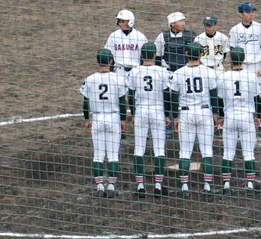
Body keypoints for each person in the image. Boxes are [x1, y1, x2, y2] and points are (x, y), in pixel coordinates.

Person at [169, 43, 217, 195]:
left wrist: (175, 117)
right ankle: (208, 186)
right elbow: (214, 95)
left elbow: (173, 97)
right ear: (201, 55)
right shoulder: (209, 72)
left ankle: (184, 187)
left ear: (186, 54)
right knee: (207, 151)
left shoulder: (178, 73)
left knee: (184, 151)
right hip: (204, 113)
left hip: (186, 114)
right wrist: (216, 114)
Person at [215, 46, 261, 194]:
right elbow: (258, 99)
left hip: (230, 116)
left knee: (227, 153)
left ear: (231, 59)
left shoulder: (224, 76)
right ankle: (249, 184)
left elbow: (219, 99)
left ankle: (226, 185)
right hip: (246, 117)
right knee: (249, 153)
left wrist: (221, 117)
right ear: (243, 59)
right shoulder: (251, 76)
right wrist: (257, 117)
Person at [81, 49, 128, 197]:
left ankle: (100, 187)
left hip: (98, 119)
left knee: (98, 155)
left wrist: (87, 120)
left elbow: (85, 102)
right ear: (111, 62)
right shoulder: (118, 78)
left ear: (97, 61)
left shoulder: (90, 79)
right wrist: (123, 120)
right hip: (113, 118)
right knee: (113, 155)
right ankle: (112, 187)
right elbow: (122, 102)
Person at [125, 42, 168, 196]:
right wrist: (168, 114)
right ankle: (158, 186)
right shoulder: (162, 71)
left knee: (139, 148)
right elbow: (167, 94)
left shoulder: (134, 72)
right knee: (159, 149)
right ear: (155, 55)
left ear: (141, 55)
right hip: (157, 111)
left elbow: (130, 95)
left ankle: (140, 187)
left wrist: (134, 113)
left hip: (141, 111)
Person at [229, 2, 261, 77]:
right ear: (240, 15)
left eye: (252, 11)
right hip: (241, 66)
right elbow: (232, 50)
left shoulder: (260, 27)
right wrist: (233, 67)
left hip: (256, 66)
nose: (251, 14)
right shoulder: (234, 30)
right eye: (248, 12)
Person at [105, 9, 146, 75]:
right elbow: (108, 55)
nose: (120, 23)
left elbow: (145, 57)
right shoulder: (113, 36)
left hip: (136, 71)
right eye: (119, 21)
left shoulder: (140, 37)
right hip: (119, 71)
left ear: (130, 22)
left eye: (122, 21)